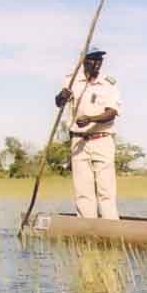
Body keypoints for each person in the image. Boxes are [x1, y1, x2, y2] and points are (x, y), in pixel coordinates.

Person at [55, 47, 121, 219]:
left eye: (100, 60)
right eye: (93, 59)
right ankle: (87, 229)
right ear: (84, 61)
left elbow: (112, 112)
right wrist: (61, 96)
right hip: (78, 142)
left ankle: (110, 228)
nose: (97, 63)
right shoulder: (71, 81)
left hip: (102, 140)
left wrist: (91, 119)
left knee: (106, 190)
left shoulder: (109, 83)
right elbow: (59, 102)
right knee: (83, 191)